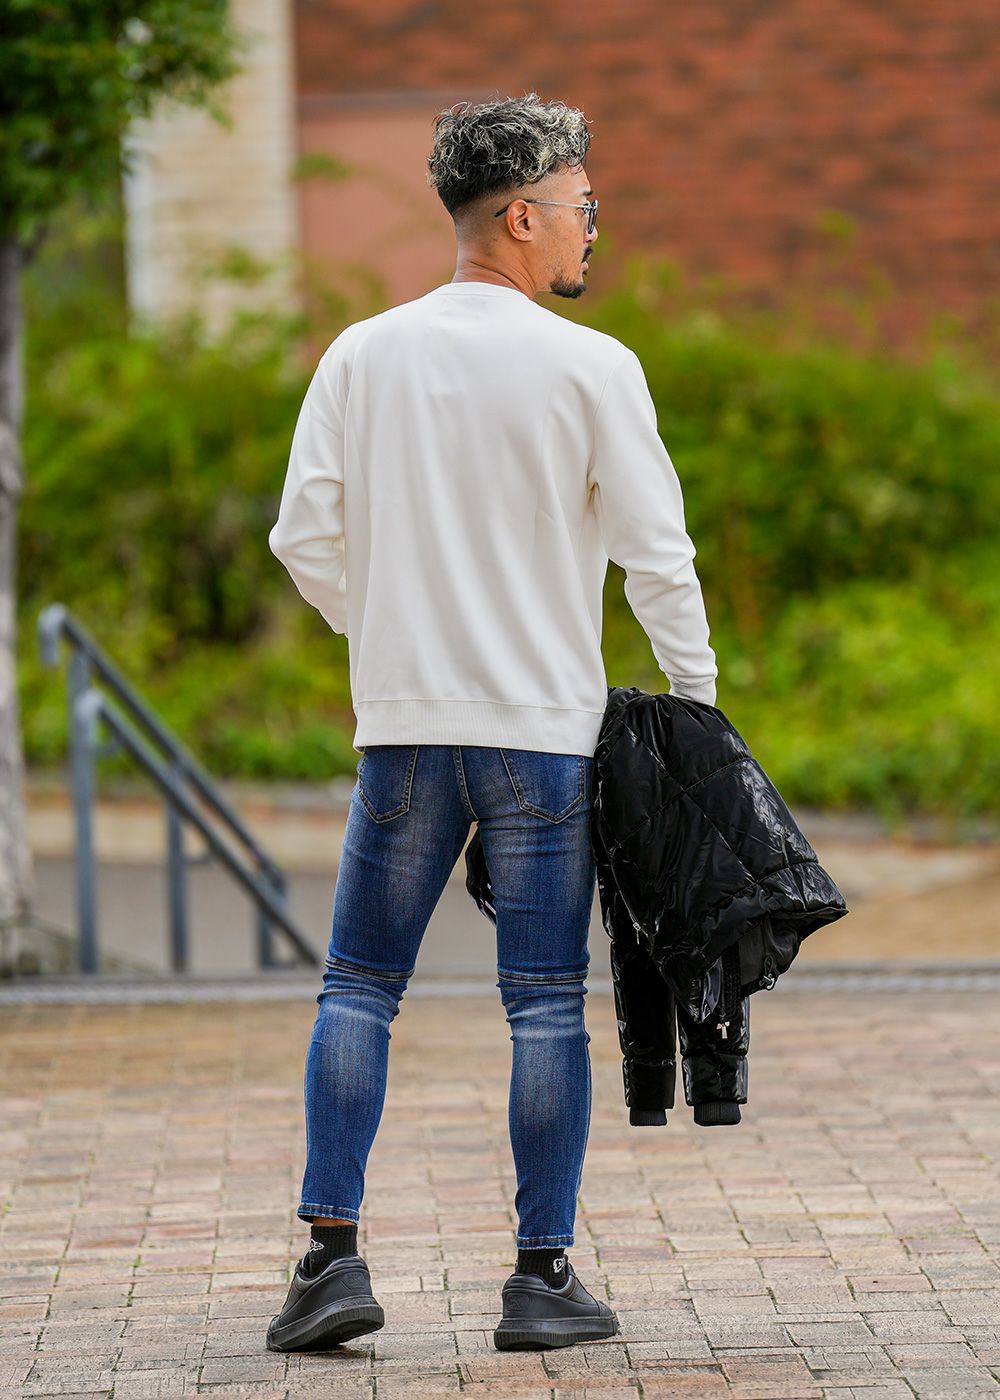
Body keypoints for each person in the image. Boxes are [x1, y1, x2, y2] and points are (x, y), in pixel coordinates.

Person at [265, 91, 718, 1354]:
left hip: (404, 727)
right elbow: (658, 557)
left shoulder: (361, 353)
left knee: (359, 986)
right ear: (520, 215)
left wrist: (385, 628)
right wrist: (696, 710)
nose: (592, 227)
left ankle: (330, 1261)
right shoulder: (592, 365)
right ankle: (539, 1277)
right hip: (540, 738)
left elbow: (302, 538)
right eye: (580, 205)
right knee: (542, 1004)